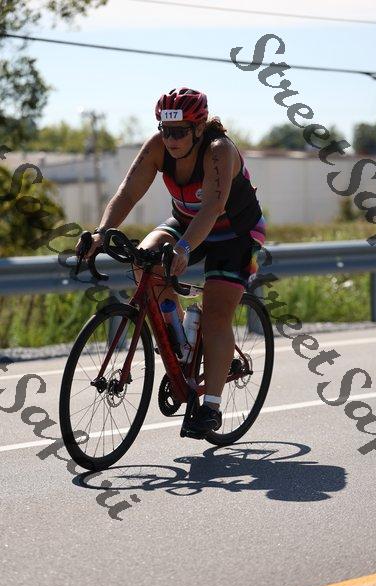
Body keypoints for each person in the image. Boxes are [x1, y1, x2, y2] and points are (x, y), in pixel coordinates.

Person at [76, 87, 266, 437]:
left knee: (216, 315)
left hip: (235, 233)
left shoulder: (219, 151)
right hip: (186, 222)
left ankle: (210, 407)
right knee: (143, 260)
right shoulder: (158, 147)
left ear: (199, 128)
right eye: (165, 129)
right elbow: (127, 192)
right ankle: (181, 342)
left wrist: (183, 248)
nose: (171, 138)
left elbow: (213, 207)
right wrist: (101, 233)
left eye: (180, 131)